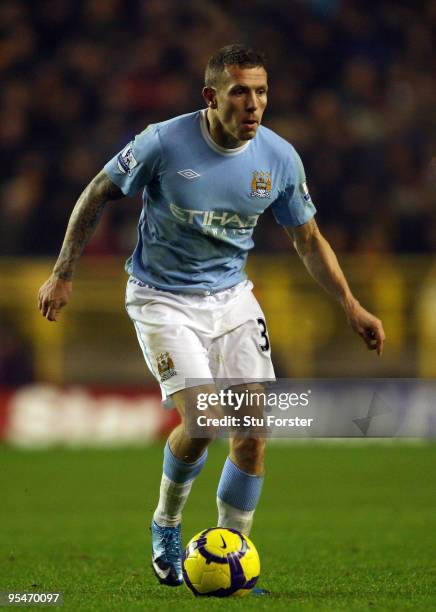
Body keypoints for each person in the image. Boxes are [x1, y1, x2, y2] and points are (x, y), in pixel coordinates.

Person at [38, 44, 385, 589]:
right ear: (211, 96)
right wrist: (63, 272)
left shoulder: (278, 159)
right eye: (240, 92)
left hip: (231, 298)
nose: (254, 105)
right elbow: (97, 193)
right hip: (160, 296)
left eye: (262, 92)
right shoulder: (163, 142)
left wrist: (350, 303)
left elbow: (309, 239)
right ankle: (167, 524)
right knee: (202, 423)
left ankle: (233, 556)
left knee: (250, 433)